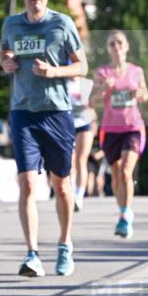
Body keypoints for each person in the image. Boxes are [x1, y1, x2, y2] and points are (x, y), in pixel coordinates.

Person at [0, 0, 87, 277]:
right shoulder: (12, 23)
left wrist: (54, 72)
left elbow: (82, 65)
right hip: (22, 111)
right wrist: (5, 62)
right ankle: (32, 253)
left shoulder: (61, 23)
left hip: (56, 112)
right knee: (27, 183)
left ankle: (64, 244)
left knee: (61, 185)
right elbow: (3, 51)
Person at [90, 30, 148, 238]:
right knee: (115, 175)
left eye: (120, 43)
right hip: (110, 129)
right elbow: (92, 101)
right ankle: (122, 210)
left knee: (125, 171)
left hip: (132, 127)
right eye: (112, 44)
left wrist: (140, 93)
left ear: (126, 47)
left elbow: (144, 94)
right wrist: (103, 89)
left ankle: (125, 216)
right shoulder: (102, 72)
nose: (116, 47)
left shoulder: (136, 71)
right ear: (108, 48)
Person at [69, 76, 96, 211]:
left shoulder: (87, 84)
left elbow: (94, 107)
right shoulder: (63, 82)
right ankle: (72, 193)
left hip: (85, 124)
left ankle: (79, 197)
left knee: (81, 160)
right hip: (67, 125)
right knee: (70, 161)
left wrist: (89, 105)